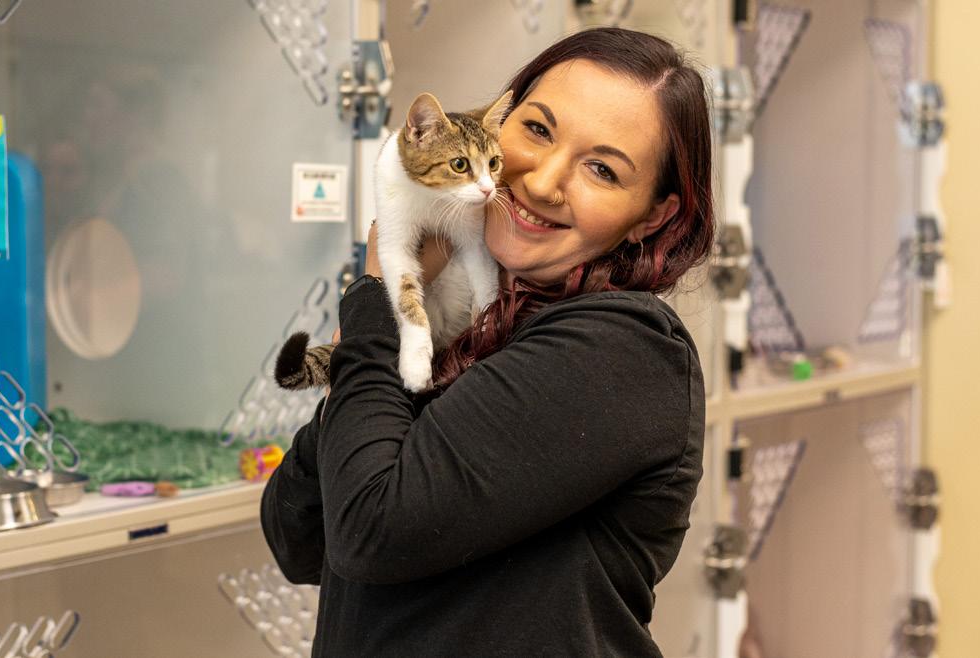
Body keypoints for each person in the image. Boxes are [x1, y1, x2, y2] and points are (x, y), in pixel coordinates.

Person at [261, 27, 715, 656]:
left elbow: (369, 528)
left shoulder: (624, 350)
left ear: (652, 216)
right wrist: (405, 314)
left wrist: (380, 291)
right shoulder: (470, 315)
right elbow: (299, 538)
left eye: (602, 170)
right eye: (538, 130)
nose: (543, 181)